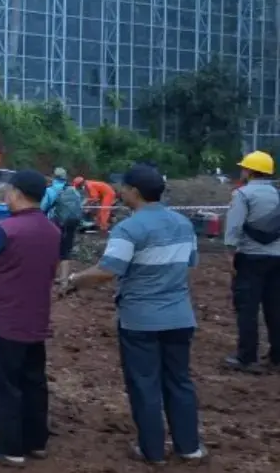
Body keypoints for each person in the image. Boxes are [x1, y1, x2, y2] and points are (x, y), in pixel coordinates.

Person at [62, 164, 206, 465]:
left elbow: (107, 270)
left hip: (141, 319)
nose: (120, 192)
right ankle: (189, 447)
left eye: (124, 188)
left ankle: (152, 450)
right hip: (180, 316)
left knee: (145, 384)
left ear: (135, 192)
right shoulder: (183, 224)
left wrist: (75, 280)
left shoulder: (128, 228)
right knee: (179, 381)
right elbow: (190, 262)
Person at [0, 170, 60, 466]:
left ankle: (9, 448)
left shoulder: (5, 230)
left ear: (17, 193)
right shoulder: (52, 230)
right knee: (33, 381)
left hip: (1, 319)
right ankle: (36, 441)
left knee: (2, 385)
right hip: (35, 318)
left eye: (8, 190)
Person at [223, 150, 280, 373]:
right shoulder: (277, 195)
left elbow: (234, 226)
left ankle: (246, 357)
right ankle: (277, 356)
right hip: (277, 258)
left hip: (250, 258)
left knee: (247, 307)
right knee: (275, 306)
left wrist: (230, 254)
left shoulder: (243, 194)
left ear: (249, 171)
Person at [42, 167, 84, 283]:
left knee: (52, 248)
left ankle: (49, 276)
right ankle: (64, 279)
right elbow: (79, 207)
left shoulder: (51, 190)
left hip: (56, 223)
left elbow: (43, 207)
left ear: (53, 176)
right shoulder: (73, 190)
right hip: (72, 222)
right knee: (66, 250)